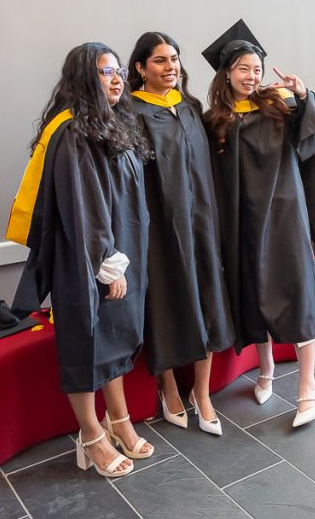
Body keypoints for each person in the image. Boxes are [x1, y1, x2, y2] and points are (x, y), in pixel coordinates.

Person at [6, 42, 155, 478]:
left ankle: (120, 421)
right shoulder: (72, 132)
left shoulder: (113, 125)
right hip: (89, 259)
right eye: (104, 72)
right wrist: (106, 262)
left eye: (117, 72)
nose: (115, 79)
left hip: (121, 252)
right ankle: (91, 436)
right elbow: (83, 206)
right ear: (82, 79)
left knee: (114, 338)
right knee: (88, 343)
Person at [202, 19, 315, 427]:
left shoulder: (281, 106)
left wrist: (302, 92)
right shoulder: (216, 120)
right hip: (242, 221)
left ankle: (307, 387)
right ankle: (265, 372)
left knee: (295, 294)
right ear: (227, 73)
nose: (252, 75)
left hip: (283, 218)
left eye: (257, 68)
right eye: (243, 68)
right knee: (254, 294)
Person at [126, 31, 235, 436]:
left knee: (207, 294)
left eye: (174, 59)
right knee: (166, 301)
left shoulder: (189, 108)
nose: (170, 66)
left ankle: (202, 393)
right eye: (159, 60)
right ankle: (168, 385)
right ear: (139, 68)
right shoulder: (131, 111)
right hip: (159, 229)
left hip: (202, 223)